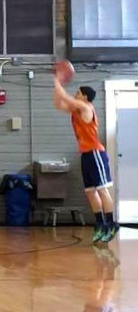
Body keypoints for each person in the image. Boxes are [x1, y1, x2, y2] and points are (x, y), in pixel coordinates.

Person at [54, 79, 120, 242]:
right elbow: (59, 104)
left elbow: (66, 98)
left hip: (95, 152)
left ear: (84, 96)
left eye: (78, 92)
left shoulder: (86, 108)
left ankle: (112, 224)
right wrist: (56, 89)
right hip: (85, 154)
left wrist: (58, 80)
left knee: (102, 189)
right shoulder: (77, 110)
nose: (75, 94)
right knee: (91, 192)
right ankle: (100, 224)